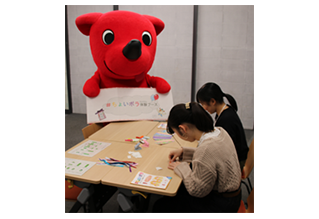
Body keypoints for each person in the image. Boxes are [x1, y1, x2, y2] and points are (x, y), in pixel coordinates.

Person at [152, 102, 241, 213]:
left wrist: (182, 168)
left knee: (161, 206)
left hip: (221, 204)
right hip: (233, 195)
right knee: (177, 192)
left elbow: (197, 190)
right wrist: (185, 152)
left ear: (183, 129)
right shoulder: (220, 131)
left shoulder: (206, 149)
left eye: (176, 133)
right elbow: (212, 157)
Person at [196, 82, 249, 170]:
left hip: (237, 161)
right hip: (236, 155)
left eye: (203, 104)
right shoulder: (224, 111)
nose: (203, 108)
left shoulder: (226, 119)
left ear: (213, 101)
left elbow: (225, 149)